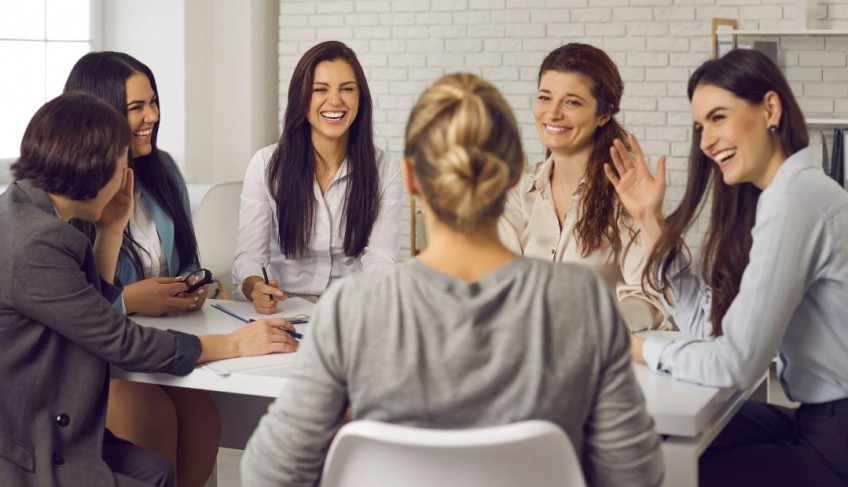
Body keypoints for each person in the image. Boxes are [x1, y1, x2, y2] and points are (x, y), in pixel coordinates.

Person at [241, 73, 664, 487]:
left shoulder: (350, 307)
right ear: (516, 168)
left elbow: (269, 475)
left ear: (408, 178)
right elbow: (636, 475)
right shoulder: (583, 300)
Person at [0, 92, 298, 487]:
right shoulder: (39, 243)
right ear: (95, 166)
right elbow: (116, 337)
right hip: (29, 446)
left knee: (157, 470)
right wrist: (235, 344)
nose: (128, 174)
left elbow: (94, 309)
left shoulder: (27, 211)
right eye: (123, 163)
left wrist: (110, 229)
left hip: (44, 424)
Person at [606, 49, 848, 486]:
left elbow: (734, 364)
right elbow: (712, 327)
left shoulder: (796, 202)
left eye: (719, 117)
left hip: (837, 442)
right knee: (643, 442)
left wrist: (635, 349)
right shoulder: (783, 195)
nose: (705, 141)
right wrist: (647, 219)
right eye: (701, 126)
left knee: (654, 473)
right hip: (817, 421)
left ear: (770, 109)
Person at [64, 51, 218, 487]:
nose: (151, 115)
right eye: (136, 107)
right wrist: (131, 299)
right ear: (102, 112)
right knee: (152, 415)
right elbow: (73, 307)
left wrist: (192, 283)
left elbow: (186, 255)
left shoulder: (163, 170)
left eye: (153, 102)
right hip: (100, 357)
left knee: (201, 411)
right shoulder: (74, 194)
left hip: (158, 338)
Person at [498, 43, 670, 332]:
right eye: (544, 97)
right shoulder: (519, 191)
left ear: (603, 115)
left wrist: (587, 322)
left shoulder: (626, 193)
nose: (552, 114)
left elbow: (650, 301)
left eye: (572, 102)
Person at [233, 40, 402, 311]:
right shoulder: (265, 165)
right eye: (320, 89)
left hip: (351, 308)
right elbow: (250, 257)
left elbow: (380, 258)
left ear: (361, 98)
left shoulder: (385, 169)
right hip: (283, 308)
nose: (335, 100)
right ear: (301, 98)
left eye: (347, 89)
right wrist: (256, 287)